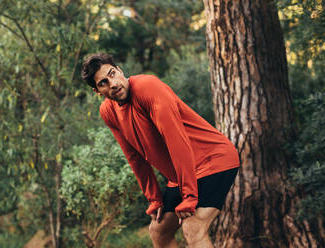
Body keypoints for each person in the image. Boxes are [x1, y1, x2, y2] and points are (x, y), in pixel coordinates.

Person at [81, 53, 240, 248]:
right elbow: (134, 157)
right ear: (98, 91)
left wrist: (190, 196)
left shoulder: (148, 87)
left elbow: (176, 141)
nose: (112, 83)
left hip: (213, 160)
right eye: (103, 83)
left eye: (112, 74)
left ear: (120, 71)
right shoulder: (108, 112)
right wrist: (154, 198)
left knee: (193, 228)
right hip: (181, 175)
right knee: (159, 231)